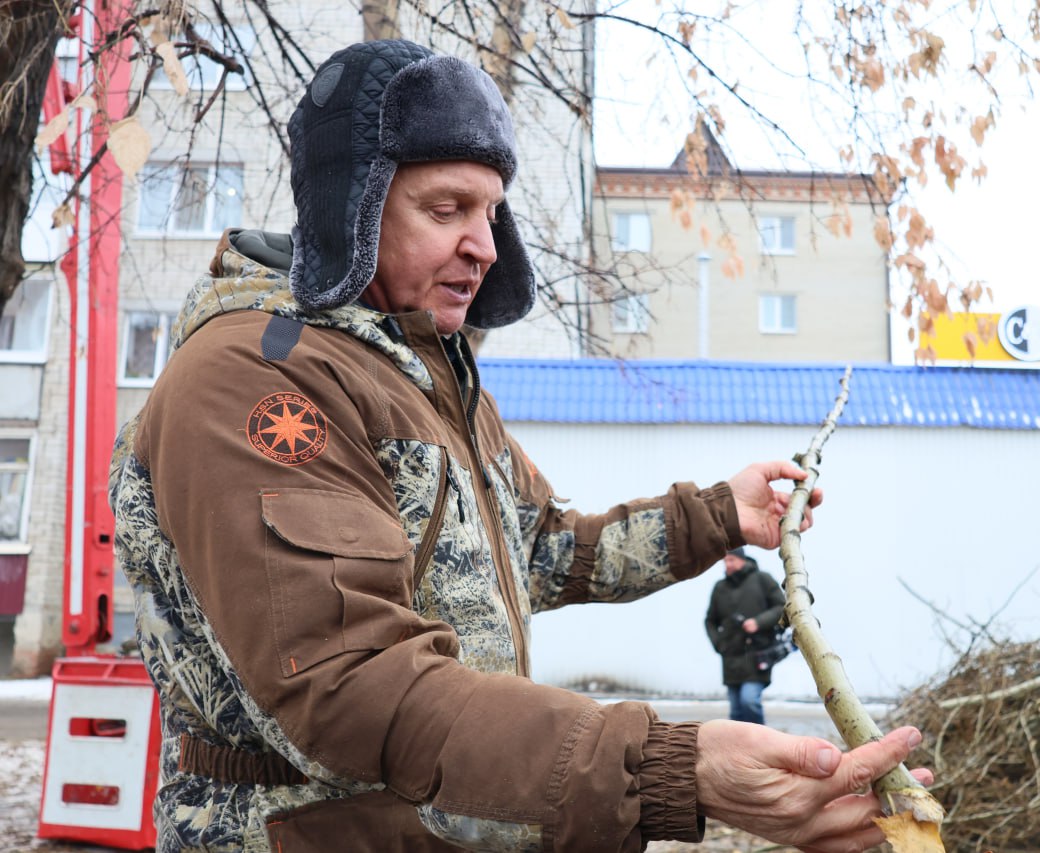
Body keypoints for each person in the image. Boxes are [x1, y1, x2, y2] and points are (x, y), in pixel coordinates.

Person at [109, 39, 930, 852]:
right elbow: (350, 683)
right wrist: (673, 768)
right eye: (447, 209)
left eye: (493, 212)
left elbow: (538, 549)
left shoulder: (431, 377)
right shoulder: (257, 377)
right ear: (348, 206)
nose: (487, 246)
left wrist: (717, 515)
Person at [705, 547, 788, 724]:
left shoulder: (762, 579)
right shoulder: (720, 588)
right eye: (725, 561)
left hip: (757, 654)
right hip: (730, 656)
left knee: (749, 701)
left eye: (731, 560)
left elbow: (782, 608)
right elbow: (710, 620)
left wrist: (758, 622)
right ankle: (738, 750)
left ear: (742, 560)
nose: (727, 564)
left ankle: (762, 744)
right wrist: (718, 644)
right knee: (736, 711)